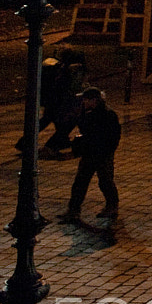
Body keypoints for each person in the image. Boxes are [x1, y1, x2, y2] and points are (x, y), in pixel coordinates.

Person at [59, 87, 121, 222]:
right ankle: (73, 210)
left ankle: (112, 206)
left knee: (105, 181)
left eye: (86, 99)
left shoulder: (107, 115)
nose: (83, 102)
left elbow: (113, 137)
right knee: (80, 182)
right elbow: (82, 127)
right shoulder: (87, 112)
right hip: (89, 152)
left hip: (102, 154)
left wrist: (106, 152)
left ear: (94, 100)